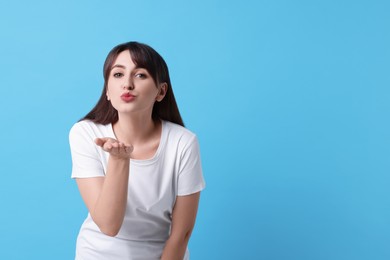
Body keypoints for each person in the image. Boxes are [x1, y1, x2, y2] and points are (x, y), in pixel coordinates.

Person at [69, 41, 205, 260]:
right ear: (107, 91)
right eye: (118, 75)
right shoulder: (85, 133)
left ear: (161, 91)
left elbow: (181, 234)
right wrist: (119, 160)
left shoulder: (183, 142)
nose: (127, 84)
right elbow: (108, 225)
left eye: (140, 75)